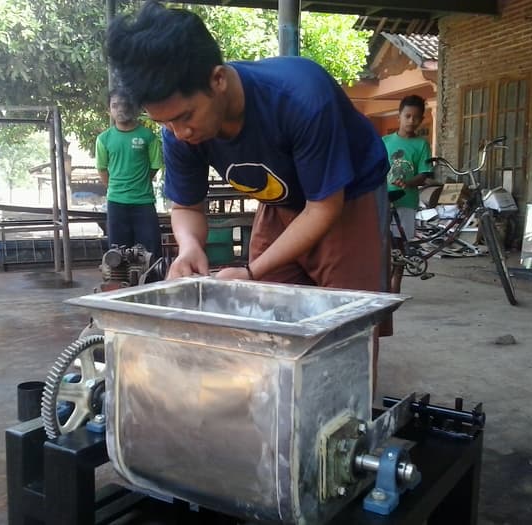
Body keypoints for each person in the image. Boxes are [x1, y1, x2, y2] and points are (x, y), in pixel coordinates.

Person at [107, 2, 392, 379]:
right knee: (262, 314)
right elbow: (187, 206)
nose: (179, 133)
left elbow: (323, 207)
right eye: (165, 123)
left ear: (218, 80)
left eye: (185, 117)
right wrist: (190, 247)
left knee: (344, 328)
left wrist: (250, 269)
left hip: (347, 197)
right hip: (280, 201)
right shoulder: (177, 131)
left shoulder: (301, 97)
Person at [95, 88, 163, 258]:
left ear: (134, 108)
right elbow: (102, 169)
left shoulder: (148, 136)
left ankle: (151, 276)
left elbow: (155, 166)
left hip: (144, 203)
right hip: (116, 204)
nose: (120, 109)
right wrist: (117, 188)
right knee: (117, 256)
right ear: (109, 110)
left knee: (150, 255)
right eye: (115, 105)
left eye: (125, 104)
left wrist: (139, 184)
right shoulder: (103, 139)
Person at [383, 95, 433, 292]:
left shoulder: (422, 145)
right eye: (407, 116)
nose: (411, 121)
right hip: (383, 200)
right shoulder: (384, 142)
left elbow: (424, 174)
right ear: (399, 117)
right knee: (383, 245)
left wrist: (408, 183)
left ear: (421, 119)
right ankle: (382, 285)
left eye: (416, 117)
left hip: (406, 201)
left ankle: (395, 286)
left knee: (400, 246)